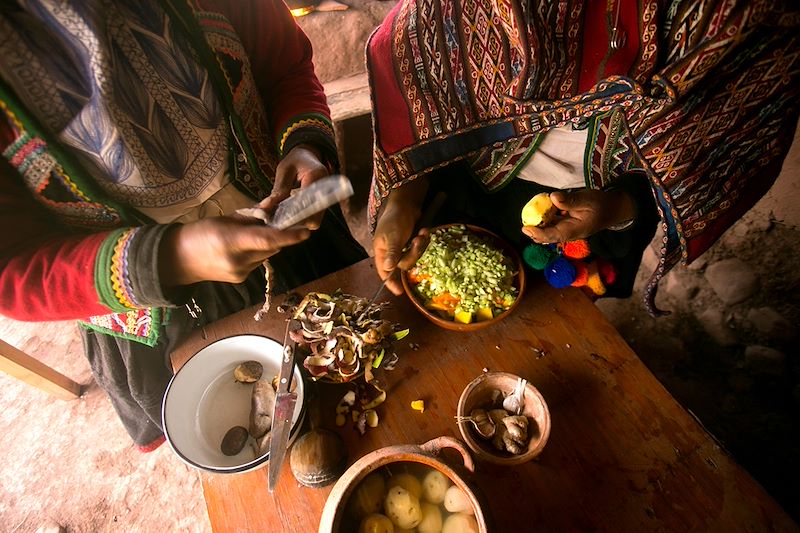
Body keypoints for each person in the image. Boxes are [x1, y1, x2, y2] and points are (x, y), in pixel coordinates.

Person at [0, 0, 366, 451]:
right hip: (155, 301)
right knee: (244, 428)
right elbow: (11, 271)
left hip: (290, 227)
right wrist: (173, 257)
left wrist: (304, 144)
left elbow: (285, 67)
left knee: (353, 375)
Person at [366, 0, 800, 312]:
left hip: (602, 206)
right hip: (475, 185)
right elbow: (410, 58)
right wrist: (405, 193)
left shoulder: (739, 20)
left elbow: (712, 145)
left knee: (557, 314)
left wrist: (619, 207)